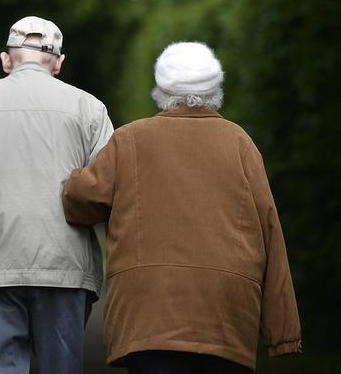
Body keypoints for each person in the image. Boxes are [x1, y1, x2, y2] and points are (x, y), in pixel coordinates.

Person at [61, 42, 302, 374]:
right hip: (226, 312)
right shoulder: (240, 143)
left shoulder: (130, 139)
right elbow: (269, 230)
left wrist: (71, 173)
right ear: (215, 88)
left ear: (161, 89)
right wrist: (283, 331)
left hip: (149, 313)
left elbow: (79, 204)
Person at [0, 16, 114, 374]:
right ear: (58, 62)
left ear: (6, 60)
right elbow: (107, 186)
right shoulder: (90, 108)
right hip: (66, 266)